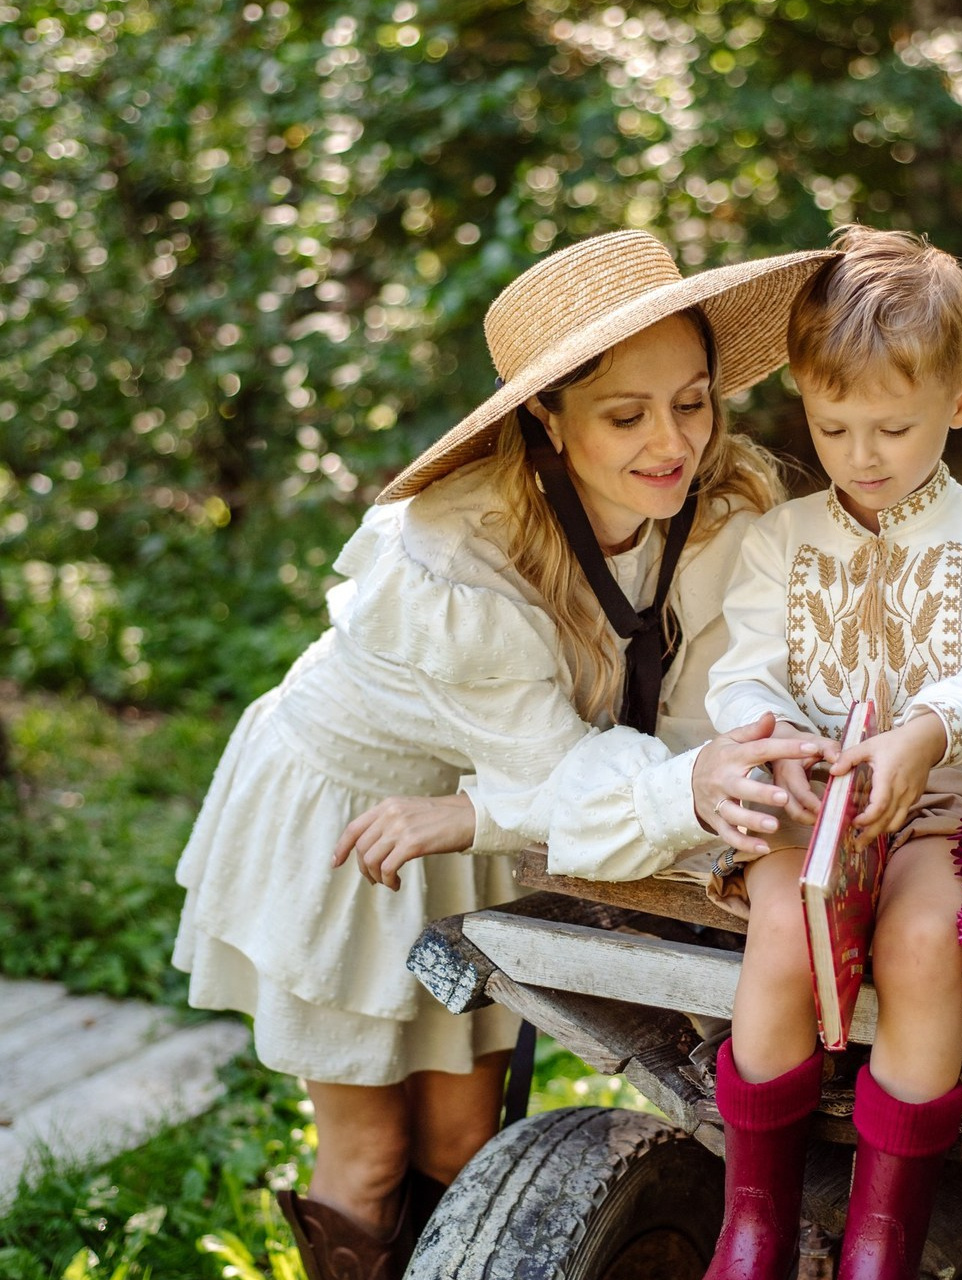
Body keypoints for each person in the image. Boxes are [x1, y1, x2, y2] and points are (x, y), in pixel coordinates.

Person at [172, 228, 836, 1280]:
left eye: (693, 400)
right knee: (371, 1154)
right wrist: (662, 789)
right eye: (625, 414)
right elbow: (567, 771)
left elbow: (690, 716)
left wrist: (723, 760)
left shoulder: (716, 509)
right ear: (547, 416)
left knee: (459, 1141)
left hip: (487, 806)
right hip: (352, 820)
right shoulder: (452, 556)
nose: (671, 440)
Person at [699, 225, 962, 1280]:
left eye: (893, 425)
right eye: (832, 421)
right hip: (818, 798)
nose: (861, 453)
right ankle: (750, 1217)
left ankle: (881, 1234)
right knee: (777, 925)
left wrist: (926, 729)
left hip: (949, 791)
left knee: (919, 941)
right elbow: (742, 669)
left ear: (960, 401)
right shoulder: (780, 536)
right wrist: (774, 737)